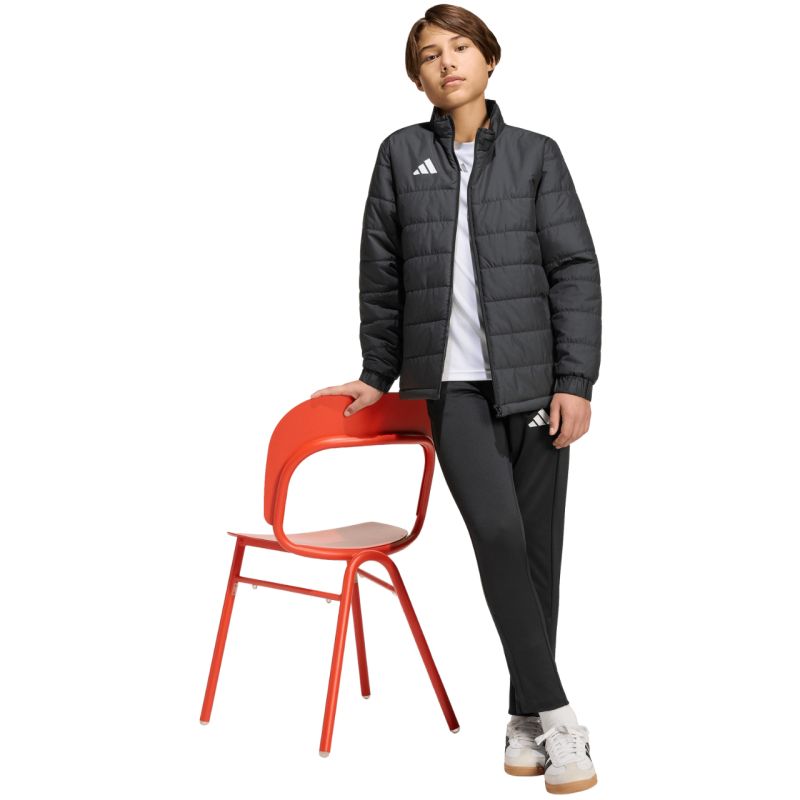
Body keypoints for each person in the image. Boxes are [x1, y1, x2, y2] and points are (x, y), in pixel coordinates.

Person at [311, 5, 601, 793]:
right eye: (429, 55)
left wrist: (574, 381)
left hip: (534, 385)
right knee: (499, 536)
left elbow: (573, 269)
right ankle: (562, 719)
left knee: (537, 555)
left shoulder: (537, 155)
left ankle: (522, 719)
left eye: (460, 47)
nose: (447, 63)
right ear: (418, 78)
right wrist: (377, 372)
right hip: (451, 388)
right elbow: (382, 272)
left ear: (488, 59)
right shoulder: (400, 155)